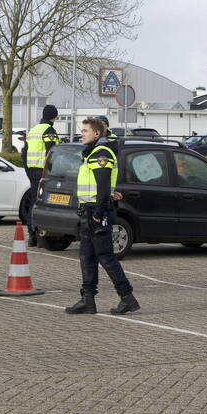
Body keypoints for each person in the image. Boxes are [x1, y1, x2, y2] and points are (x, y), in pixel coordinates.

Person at [65, 117, 140, 316]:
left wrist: (99, 212)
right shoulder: (91, 152)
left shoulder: (101, 153)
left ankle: (127, 297)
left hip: (97, 212)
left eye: (85, 130)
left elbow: (103, 183)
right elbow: (102, 186)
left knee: (106, 256)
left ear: (97, 134)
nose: (81, 133)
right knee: (86, 257)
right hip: (89, 210)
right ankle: (87, 300)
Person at [20, 104, 60, 247]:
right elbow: (52, 153)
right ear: (53, 117)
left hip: (32, 171)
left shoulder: (33, 130)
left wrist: (27, 170)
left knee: (34, 202)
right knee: (42, 203)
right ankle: (38, 235)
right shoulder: (49, 130)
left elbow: (24, 153)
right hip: (43, 172)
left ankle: (32, 235)